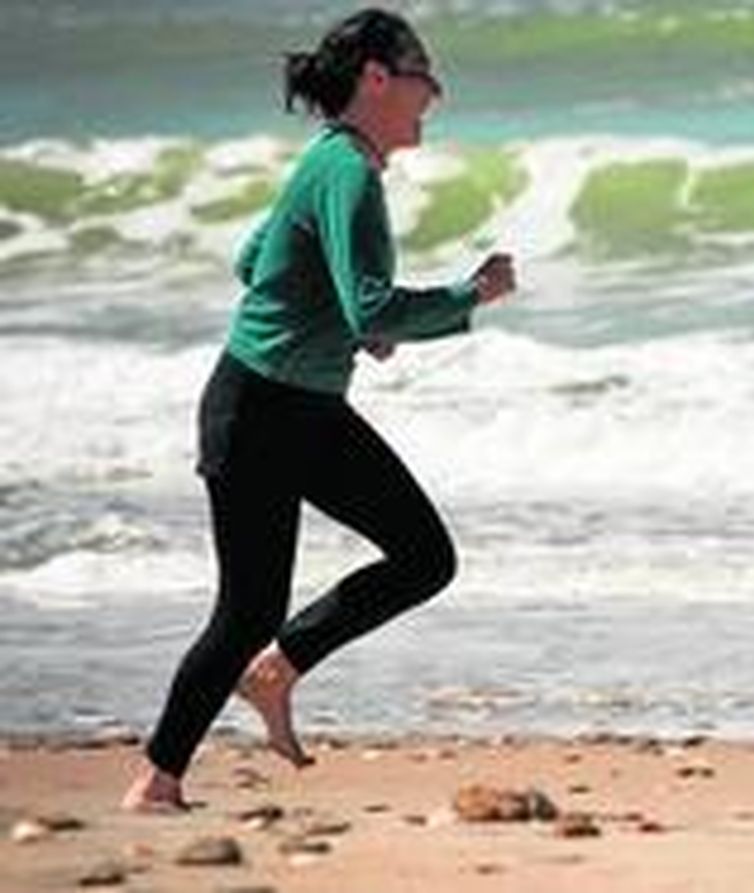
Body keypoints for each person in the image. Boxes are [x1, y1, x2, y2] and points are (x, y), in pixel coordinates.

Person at [121, 7, 515, 812]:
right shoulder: (348, 171)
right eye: (423, 76)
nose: (433, 96)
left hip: (296, 409)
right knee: (246, 610)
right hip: (260, 410)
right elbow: (370, 306)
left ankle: (273, 673)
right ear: (377, 77)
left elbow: (250, 260)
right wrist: (470, 294)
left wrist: (337, 318)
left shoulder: (329, 164)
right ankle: (157, 781)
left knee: (420, 557)